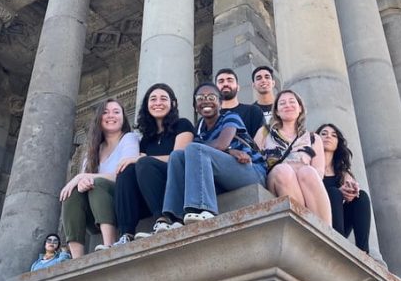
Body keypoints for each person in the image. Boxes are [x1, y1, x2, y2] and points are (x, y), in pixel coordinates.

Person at [161, 83, 266, 226]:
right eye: (200, 98)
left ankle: (204, 208)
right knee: (177, 156)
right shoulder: (200, 132)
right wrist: (229, 151)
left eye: (211, 97)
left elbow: (221, 144)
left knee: (193, 149)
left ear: (220, 103)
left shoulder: (230, 117)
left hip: (251, 171)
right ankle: (174, 216)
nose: (206, 100)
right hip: (225, 175)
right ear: (195, 106)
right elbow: (211, 150)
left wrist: (225, 149)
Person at [113, 83, 194, 243]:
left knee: (143, 163)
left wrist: (142, 159)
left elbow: (180, 158)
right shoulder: (146, 139)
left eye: (164, 99)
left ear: (173, 103)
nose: (158, 103)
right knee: (126, 171)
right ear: (147, 105)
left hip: (176, 185)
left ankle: (163, 220)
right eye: (153, 99)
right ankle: (126, 234)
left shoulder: (182, 125)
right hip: (151, 190)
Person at [60, 99, 139, 257]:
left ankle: (109, 245)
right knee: (71, 193)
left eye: (116, 112)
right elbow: (86, 178)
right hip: (95, 212)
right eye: (105, 112)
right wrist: (82, 182)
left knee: (98, 184)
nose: (111, 116)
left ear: (123, 118)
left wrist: (86, 177)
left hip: (123, 203)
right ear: (99, 118)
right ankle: (77, 258)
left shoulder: (129, 138)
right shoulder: (93, 149)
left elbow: (126, 171)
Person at [254, 90, 332, 225]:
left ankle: (326, 231)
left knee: (308, 172)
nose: (287, 105)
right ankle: (302, 228)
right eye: (282, 103)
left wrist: (299, 173)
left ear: (300, 108)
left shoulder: (314, 138)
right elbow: (254, 159)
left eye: (292, 102)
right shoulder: (264, 132)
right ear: (277, 111)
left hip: (304, 184)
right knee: (284, 171)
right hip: (276, 179)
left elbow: (319, 172)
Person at [316, 123, 371, 253]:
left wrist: (352, 191)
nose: (328, 137)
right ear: (316, 139)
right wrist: (339, 193)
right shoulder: (310, 165)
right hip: (317, 219)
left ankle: (364, 253)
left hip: (338, 224)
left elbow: (350, 185)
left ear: (337, 143)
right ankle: (338, 246)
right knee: (334, 193)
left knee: (361, 196)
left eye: (333, 135)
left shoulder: (343, 173)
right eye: (323, 134)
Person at [215, 68, 265, 136]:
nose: (225, 84)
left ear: (238, 87)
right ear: (214, 90)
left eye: (230, 80)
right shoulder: (209, 118)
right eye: (221, 81)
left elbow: (261, 142)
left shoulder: (253, 112)